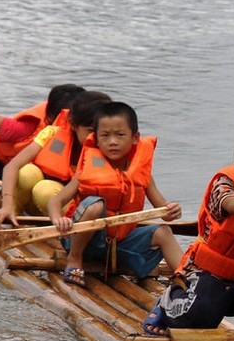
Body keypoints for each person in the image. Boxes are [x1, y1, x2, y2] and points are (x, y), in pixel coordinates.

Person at [141, 128, 234, 336]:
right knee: (199, 320)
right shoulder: (224, 184)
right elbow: (231, 204)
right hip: (212, 273)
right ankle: (167, 302)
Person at [47, 101, 184, 288]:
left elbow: (164, 213)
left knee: (163, 232)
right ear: (96, 139)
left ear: (135, 138)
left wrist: (173, 211)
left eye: (120, 135)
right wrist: (58, 219)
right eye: (105, 135)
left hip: (119, 245)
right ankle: (74, 260)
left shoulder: (142, 175)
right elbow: (55, 201)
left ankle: (187, 278)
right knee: (95, 205)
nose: (112, 142)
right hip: (85, 244)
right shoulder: (87, 171)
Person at [0, 90, 111, 227]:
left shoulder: (110, 147)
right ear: (73, 124)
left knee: (45, 189)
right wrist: (7, 205)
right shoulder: (52, 133)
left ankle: (64, 229)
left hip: (74, 214)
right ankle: (11, 217)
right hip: (39, 206)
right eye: (91, 131)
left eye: (103, 131)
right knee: (27, 172)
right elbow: (12, 166)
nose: (97, 137)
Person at [0, 84, 85, 200]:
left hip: (28, 171)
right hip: (1, 162)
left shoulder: (84, 132)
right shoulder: (26, 129)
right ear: (51, 118)